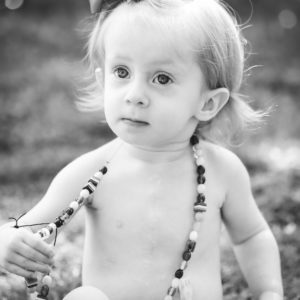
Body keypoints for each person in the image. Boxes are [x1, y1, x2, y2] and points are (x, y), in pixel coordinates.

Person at [0, 0, 283, 299]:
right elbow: (25, 227)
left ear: (207, 103)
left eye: (162, 78)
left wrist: (269, 291)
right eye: (121, 72)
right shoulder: (91, 170)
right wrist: (6, 240)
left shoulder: (222, 171)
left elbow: (252, 236)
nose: (135, 95)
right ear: (102, 80)